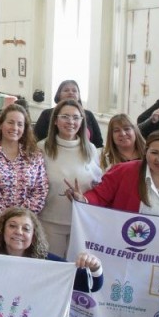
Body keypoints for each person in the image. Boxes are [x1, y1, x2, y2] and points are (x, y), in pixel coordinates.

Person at [66, 130, 159, 216]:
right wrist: (83, 200)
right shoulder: (123, 171)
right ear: (145, 152)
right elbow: (100, 196)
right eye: (154, 153)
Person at [0, 104, 47, 249]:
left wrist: (20, 221)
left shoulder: (35, 155)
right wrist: (7, 221)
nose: (15, 128)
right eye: (10, 122)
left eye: (20, 124)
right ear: (1, 125)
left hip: (25, 229)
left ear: (25, 129)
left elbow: (41, 190)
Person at [39, 100, 102, 258]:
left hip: (81, 224)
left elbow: (98, 186)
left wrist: (83, 197)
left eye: (76, 117)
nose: (71, 122)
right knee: (52, 270)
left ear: (82, 121)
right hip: (49, 222)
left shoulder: (91, 150)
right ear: (55, 120)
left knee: (77, 271)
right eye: (65, 117)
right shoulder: (42, 148)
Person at [32, 80, 104, 147]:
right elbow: (36, 138)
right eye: (66, 90)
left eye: (74, 90)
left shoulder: (88, 114)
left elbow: (98, 143)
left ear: (79, 96)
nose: (71, 92)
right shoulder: (47, 114)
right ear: (58, 95)